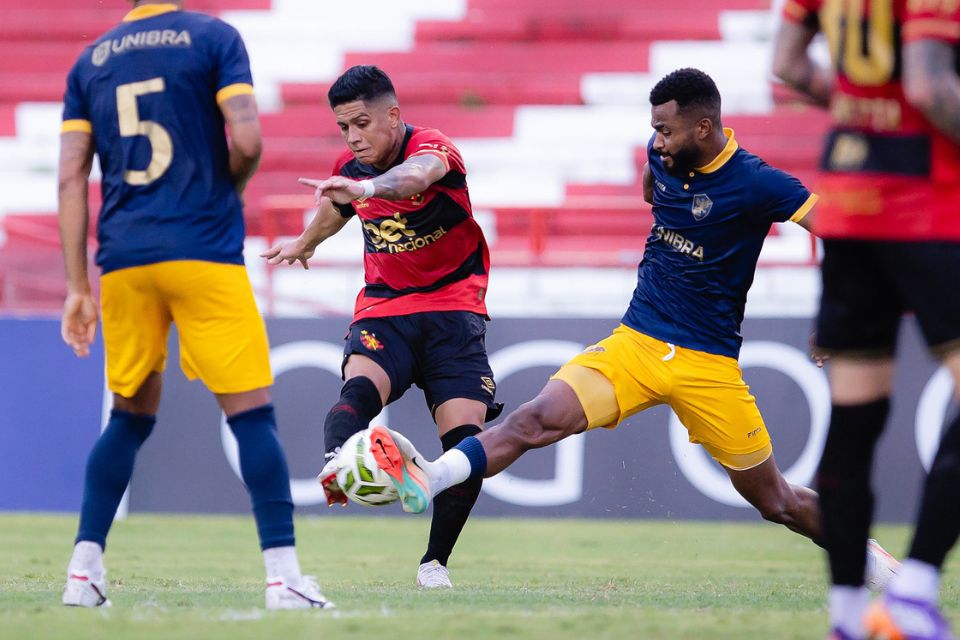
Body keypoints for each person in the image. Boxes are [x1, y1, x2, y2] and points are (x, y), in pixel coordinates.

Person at [368, 67, 898, 589]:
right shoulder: (661, 154)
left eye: (666, 130)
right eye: (654, 129)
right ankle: (432, 476)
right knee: (534, 420)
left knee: (775, 500)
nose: (656, 140)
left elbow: (845, 232)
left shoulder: (758, 182)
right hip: (636, 343)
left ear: (704, 129)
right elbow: (654, 189)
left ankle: (864, 554)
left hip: (707, 364)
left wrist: (843, 315)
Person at [57, 0, 331, 609]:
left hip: (125, 258)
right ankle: (284, 577)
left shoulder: (89, 60)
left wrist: (78, 287)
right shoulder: (212, 36)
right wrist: (221, 190)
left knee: (127, 416)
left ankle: (83, 571)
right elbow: (250, 140)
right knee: (251, 416)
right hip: (202, 250)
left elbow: (71, 177)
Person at [261, 65, 501, 589]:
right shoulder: (351, 168)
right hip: (385, 309)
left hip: (454, 311)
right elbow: (337, 206)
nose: (353, 137)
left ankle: (433, 563)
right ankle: (342, 467)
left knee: (465, 441)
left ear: (393, 115)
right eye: (344, 127)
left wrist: (364, 186)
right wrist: (305, 243)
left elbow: (410, 179)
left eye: (362, 123)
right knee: (360, 390)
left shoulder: (434, 150)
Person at [774, 0, 960, 637]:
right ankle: (914, 593)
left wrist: (867, 114)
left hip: (850, 205)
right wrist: (905, 116)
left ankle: (848, 618)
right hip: (929, 208)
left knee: (854, 423)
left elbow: (789, 66)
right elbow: (931, 86)